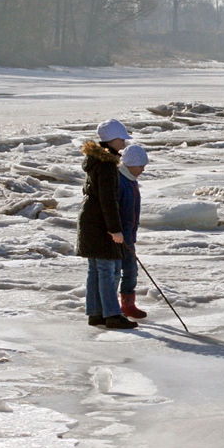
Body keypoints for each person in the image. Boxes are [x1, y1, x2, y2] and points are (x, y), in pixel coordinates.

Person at [77, 119, 138, 330]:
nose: (124, 143)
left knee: (96, 269)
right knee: (107, 269)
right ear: (111, 140)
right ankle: (112, 314)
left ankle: (95, 313)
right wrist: (115, 229)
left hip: (91, 221)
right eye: (121, 139)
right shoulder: (106, 165)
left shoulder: (96, 161)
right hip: (99, 224)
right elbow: (108, 200)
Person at [117, 144, 148, 319]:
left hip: (128, 234)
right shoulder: (120, 181)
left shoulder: (131, 181)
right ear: (130, 164)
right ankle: (117, 305)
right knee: (122, 270)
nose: (143, 170)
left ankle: (128, 304)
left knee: (130, 270)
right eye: (140, 166)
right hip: (119, 234)